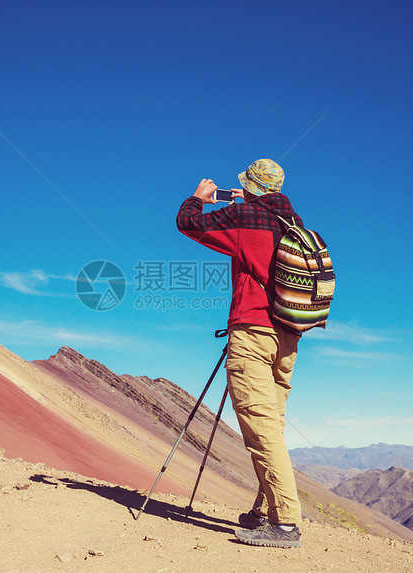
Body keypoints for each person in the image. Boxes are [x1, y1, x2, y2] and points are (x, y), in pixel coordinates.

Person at [176, 158, 303, 549]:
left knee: (261, 429)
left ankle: (285, 525)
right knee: (273, 426)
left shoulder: (245, 216)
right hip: (288, 339)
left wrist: (198, 199)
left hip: (253, 332)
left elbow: (188, 224)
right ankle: (264, 512)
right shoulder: (292, 221)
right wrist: (237, 200)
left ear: (249, 187)